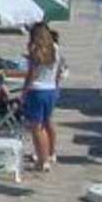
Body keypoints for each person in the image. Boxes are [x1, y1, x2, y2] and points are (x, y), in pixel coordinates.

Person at [21, 21, 61, 172]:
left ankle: (42, 161)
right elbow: (58, 70)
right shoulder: (55, 48)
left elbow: (32, 74)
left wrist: (24, 92)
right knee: (47, 122)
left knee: (37, 128)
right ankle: (50, 153)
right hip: (51, 89)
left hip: (37, 90)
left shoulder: (35, 49)